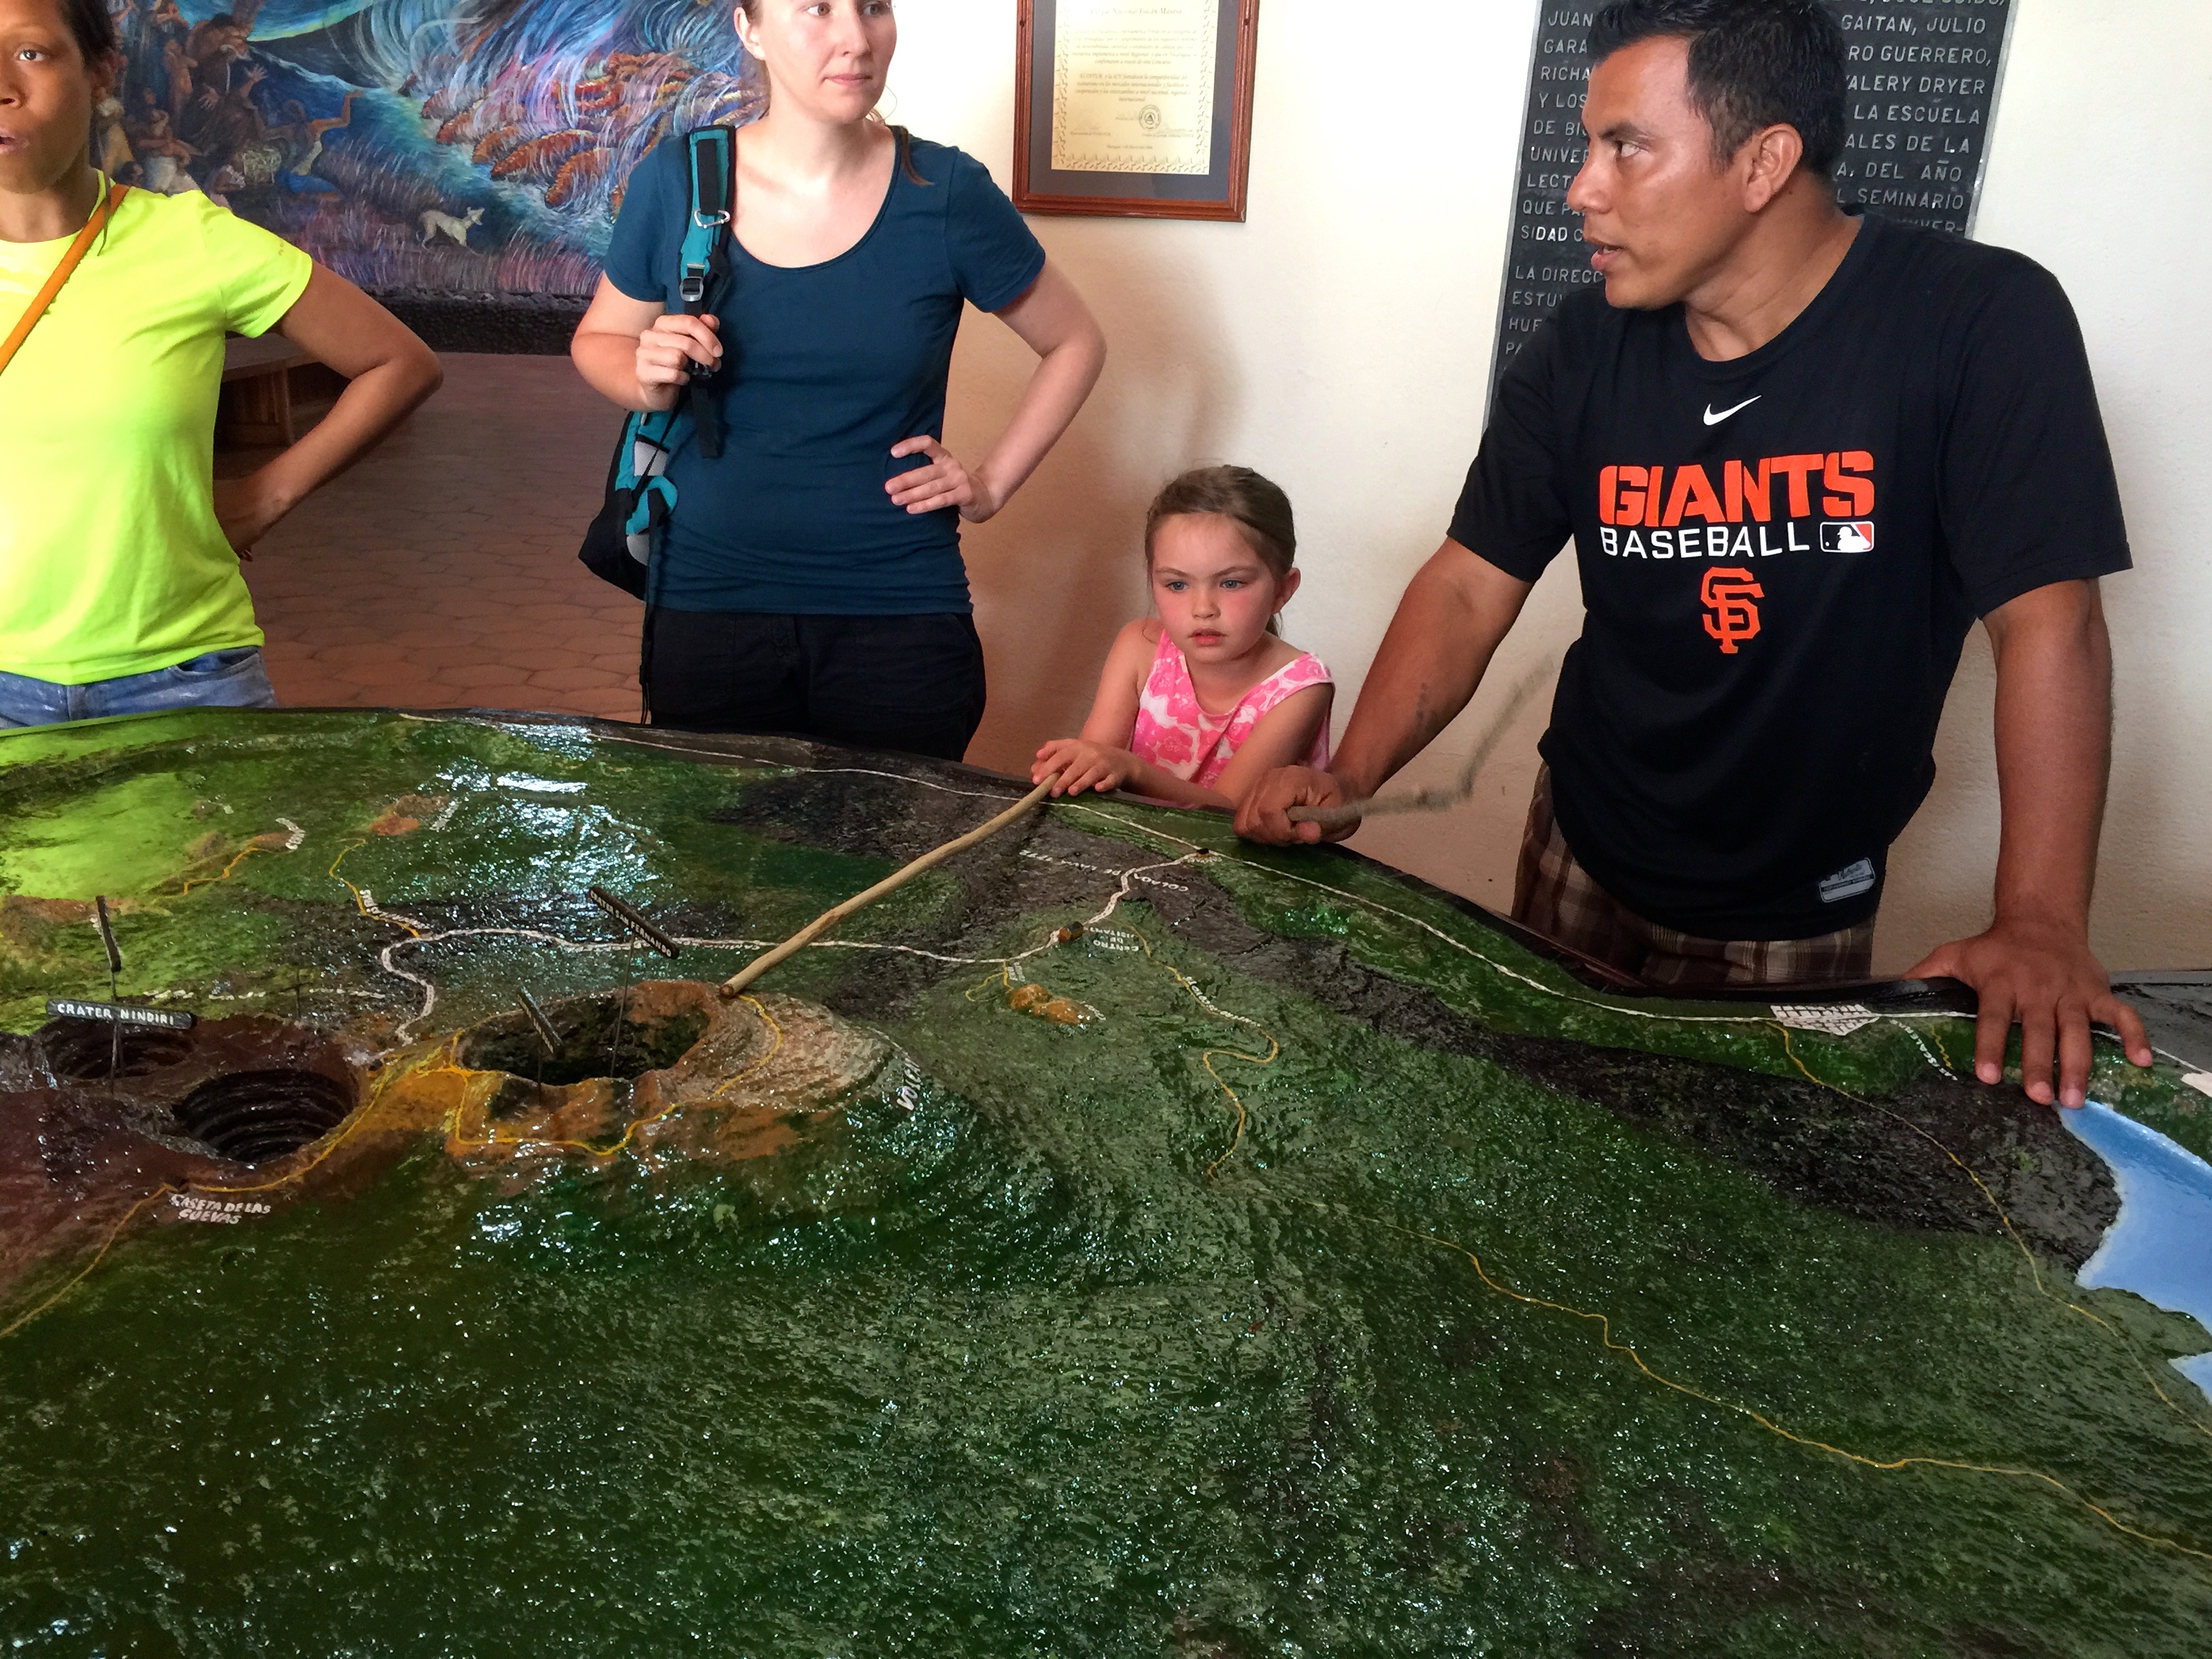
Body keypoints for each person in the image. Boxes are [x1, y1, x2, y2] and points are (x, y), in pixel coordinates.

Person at [1237, 0, 2154, 1112]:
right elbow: (1470, 582)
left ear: (1762, 159)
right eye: (1586, 146)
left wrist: (2038, 921)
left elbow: (2044, 620)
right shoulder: (1580, 347)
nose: (1580, 186)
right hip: (1581, 843)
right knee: (1542, 1120)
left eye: (1624, 145)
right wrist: (1348, 776)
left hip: (1791, 903)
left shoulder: (1974, 322)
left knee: (1736, 1182)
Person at [571, 0, 1106, 761]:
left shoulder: (945, 191)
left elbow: (1076, 341)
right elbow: (599, 340)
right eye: (817, 8)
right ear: (749, 28)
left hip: (898, 612)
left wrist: (989, 486)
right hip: (711, 604)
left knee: (894, 868)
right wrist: (646, 375)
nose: (856, 39)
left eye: (874, 7)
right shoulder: (680, 180)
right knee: (723, 873)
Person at [0, 0, 442, 726]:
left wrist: (264, 497)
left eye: (32, 54)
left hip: (180, 678)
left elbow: (397, 362)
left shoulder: (194, 241)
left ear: (103, 71)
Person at [1033, 466, 1332, 810]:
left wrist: (1130, 768)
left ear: (1282, 589)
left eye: (1231, 583)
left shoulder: (1301, 687)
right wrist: (1075, 766)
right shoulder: (1139, 646)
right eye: (1177, 584)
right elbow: (1093, 764)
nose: (1203, 609)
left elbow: (1227, 813)